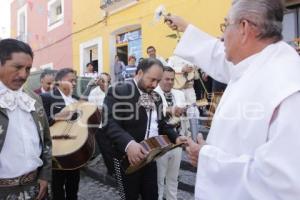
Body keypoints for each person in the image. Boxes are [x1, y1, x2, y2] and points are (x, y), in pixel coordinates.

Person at [165, 0, 300, 199]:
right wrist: (185, 27)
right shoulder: (257, 63)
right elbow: (217, 55)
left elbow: (282, 184)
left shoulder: (287, 87)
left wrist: (207, 157)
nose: (221, 36)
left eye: (225, 25)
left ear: (244, 28)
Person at [102, 58, 187, 200]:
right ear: (140, 73)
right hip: (126, 158)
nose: (154, 85)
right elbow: (108, 122)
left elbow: (161, 124)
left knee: (152, 195)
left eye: (157, 81)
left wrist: (176, 137)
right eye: (152, 79)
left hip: (150, 158)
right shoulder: (118, 90)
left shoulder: (156, 97)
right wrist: (129, 144)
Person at [0, 39, 51, 199]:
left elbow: (47, 141)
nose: (23, 75)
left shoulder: (34, 99)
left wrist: (44, 176)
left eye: (28, 69)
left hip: (35, 187)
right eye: (17, 67)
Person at [40, 68, 80, 200]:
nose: (74, 83)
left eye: (75, 80)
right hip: (57, 151)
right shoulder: (47, 97)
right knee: (57, 187)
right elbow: (42, 125)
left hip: (75, 150)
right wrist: (58, 116)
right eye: (71, 80)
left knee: (73, 186)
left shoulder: (77, 99)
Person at [154, 67, 187, 200]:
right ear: (160, 79)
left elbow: (183, 116)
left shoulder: (179, 94)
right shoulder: (153, 93)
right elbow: (156, 115)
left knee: (173, 180)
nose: (170, 82)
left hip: (177, 143)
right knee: (159, 181)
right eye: (167, 79)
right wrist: (170, 110)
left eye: (172, 79)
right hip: (160, 144)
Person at [88, 72, 115, 176]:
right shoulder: (94, 93)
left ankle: (116, 170)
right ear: (98, 81)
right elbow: (93, 109)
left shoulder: (113, 90)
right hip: (99, 126)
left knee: (113, 148)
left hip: (112, 125)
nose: (105, 83)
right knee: (105, 150)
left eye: (108, 81)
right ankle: (111, 170)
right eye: (103, 81)